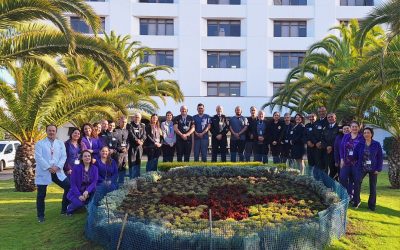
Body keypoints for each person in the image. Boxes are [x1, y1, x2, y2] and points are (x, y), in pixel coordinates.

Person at [35, 125, 70, 223]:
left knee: (68, 186)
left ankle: (64, 210)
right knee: (41, 195)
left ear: (56, 132)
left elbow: (64, 156)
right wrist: (49, 167)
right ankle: (40, 216)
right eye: (49, 130)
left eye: (53, 131)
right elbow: (38, 157)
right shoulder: (40, 143)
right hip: (45, 171)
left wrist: (57, 167)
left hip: (57, 171)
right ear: (46, 131)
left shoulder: (60, 143)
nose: (51, 132)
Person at [353, 127, 383, 210]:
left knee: (373, 186)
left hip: (373, 168)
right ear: (363, 134)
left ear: (371, 134)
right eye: (365, 133)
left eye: (368, 132)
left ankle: (372, 205)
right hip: (361, 167)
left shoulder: (376, 144)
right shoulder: (360, 143)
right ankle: (356, 202)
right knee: (357, 183)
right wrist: (357, 162)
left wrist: (378, 168)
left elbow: (380, 157)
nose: (366, 134)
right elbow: (354, 155)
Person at [66, 150, 98, 215]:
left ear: (91, 157)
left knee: (92, 202)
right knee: (80, 203)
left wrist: (87, 191)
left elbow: (94, 182)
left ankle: (85, 204)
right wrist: (79, 196)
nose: (87, 157)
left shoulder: (95, 168)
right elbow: (73, 184)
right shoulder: (75, 168)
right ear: (82, 158)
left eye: (89, 156)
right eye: (85, 156)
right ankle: (69, 207)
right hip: (76, 191)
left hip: (89, 191)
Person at [340, 121, 364, 200]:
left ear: (359, 127)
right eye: (353, 126)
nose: (354, 128)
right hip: (346, 162)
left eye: (356, 126)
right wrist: (342, 159)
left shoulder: (361, 137)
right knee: (343, 178)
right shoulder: (346, 136)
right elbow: (341, 148)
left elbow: (363, 150)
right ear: (350, 128)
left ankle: (356, 199)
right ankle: (345, 196)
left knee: (356, 182)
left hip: (356, 163)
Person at [127, 112, 146, 178]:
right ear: (133, 118)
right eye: (135, 117)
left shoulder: (143, 125)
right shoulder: (129, 125)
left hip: (140, 147)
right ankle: (131, 178)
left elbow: (144, 135)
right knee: (132, 163)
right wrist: (137, 140)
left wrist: (142, 140)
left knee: (138, 162)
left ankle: (137, 178)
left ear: (140, 118)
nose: (136, 118)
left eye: (138, 117)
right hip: (132, 147)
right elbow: (130, 134)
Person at [322, 113, 339, 178]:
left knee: (334, 170)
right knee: (326, 169)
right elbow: (322, 139)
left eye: (332, 117)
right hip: (326, 152)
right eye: (328, 117)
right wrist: (327, 147)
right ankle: (327, 185)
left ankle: (334, 185)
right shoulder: (325, 128)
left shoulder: (339, 128)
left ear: (335, 118)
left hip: (335, 152)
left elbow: (338, 140)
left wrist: (331, 146)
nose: (330, 118)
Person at [113, 116, 130, 184]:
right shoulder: (115, 130)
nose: (124, 123)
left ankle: (121, 183)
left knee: (123, 168)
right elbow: (114, 142)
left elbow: (128, 141)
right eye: (123, 122)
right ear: (119, 122)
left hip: (125, 153)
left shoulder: (127, 131)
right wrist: (120, 149)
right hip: (117, 153)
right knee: (117, 168)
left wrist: (127, 148)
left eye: (125, 122)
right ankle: (114, 184)